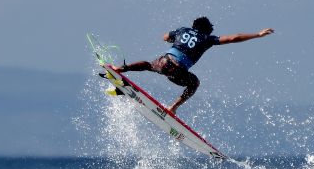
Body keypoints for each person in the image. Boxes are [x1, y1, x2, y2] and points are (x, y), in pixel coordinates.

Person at [113, 17, 274, 114]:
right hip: (178, 70)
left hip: (165, 62)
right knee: (194, 84)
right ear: (207, 30)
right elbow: (234, 38)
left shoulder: (183, 30)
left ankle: (121, 68)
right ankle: (173, 107)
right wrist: (257, 35)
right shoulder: (207, 39)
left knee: (149, 65)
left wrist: (172, 39)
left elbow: (164, 37)